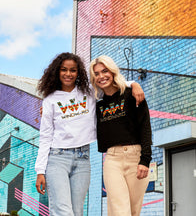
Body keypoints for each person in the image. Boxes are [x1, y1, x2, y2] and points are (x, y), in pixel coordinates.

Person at [35, 52, 145, 216]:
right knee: (63, 210)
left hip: (83, 157)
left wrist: (133, 84)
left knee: (77, 211)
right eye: (64, 70)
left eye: (73, 70)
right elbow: (45, 137)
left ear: (78, 72)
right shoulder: (50, 100)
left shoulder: (88, 93)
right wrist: (40, 170)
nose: (68, 74)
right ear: (57, 72)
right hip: (57, 158)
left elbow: (111, 87)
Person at [89, 55, 152, 216]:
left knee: (133, 211)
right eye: (96, 73)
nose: (101, 76)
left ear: (112, 72)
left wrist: (145, 160)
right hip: (112, 160)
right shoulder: (97, 105)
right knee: (119, 211)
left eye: (105, 71)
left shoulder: (133, 95)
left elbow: (145, 128)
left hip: (136, 157)